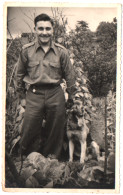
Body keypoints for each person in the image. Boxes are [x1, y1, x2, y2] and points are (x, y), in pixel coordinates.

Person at [16, 13, 75, 159]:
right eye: (40, 28)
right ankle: (27, 161)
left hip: (55, 93)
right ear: (35, 29)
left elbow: (70, 76)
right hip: (34, 94)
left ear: (53, 30)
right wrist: (22, 98)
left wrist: (71, 97)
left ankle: (51, 162)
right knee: (29, 128)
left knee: (55, 130)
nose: (44, 32)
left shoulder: (62, 52)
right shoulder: (26, 51)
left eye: (48, 29)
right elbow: (19, 76)